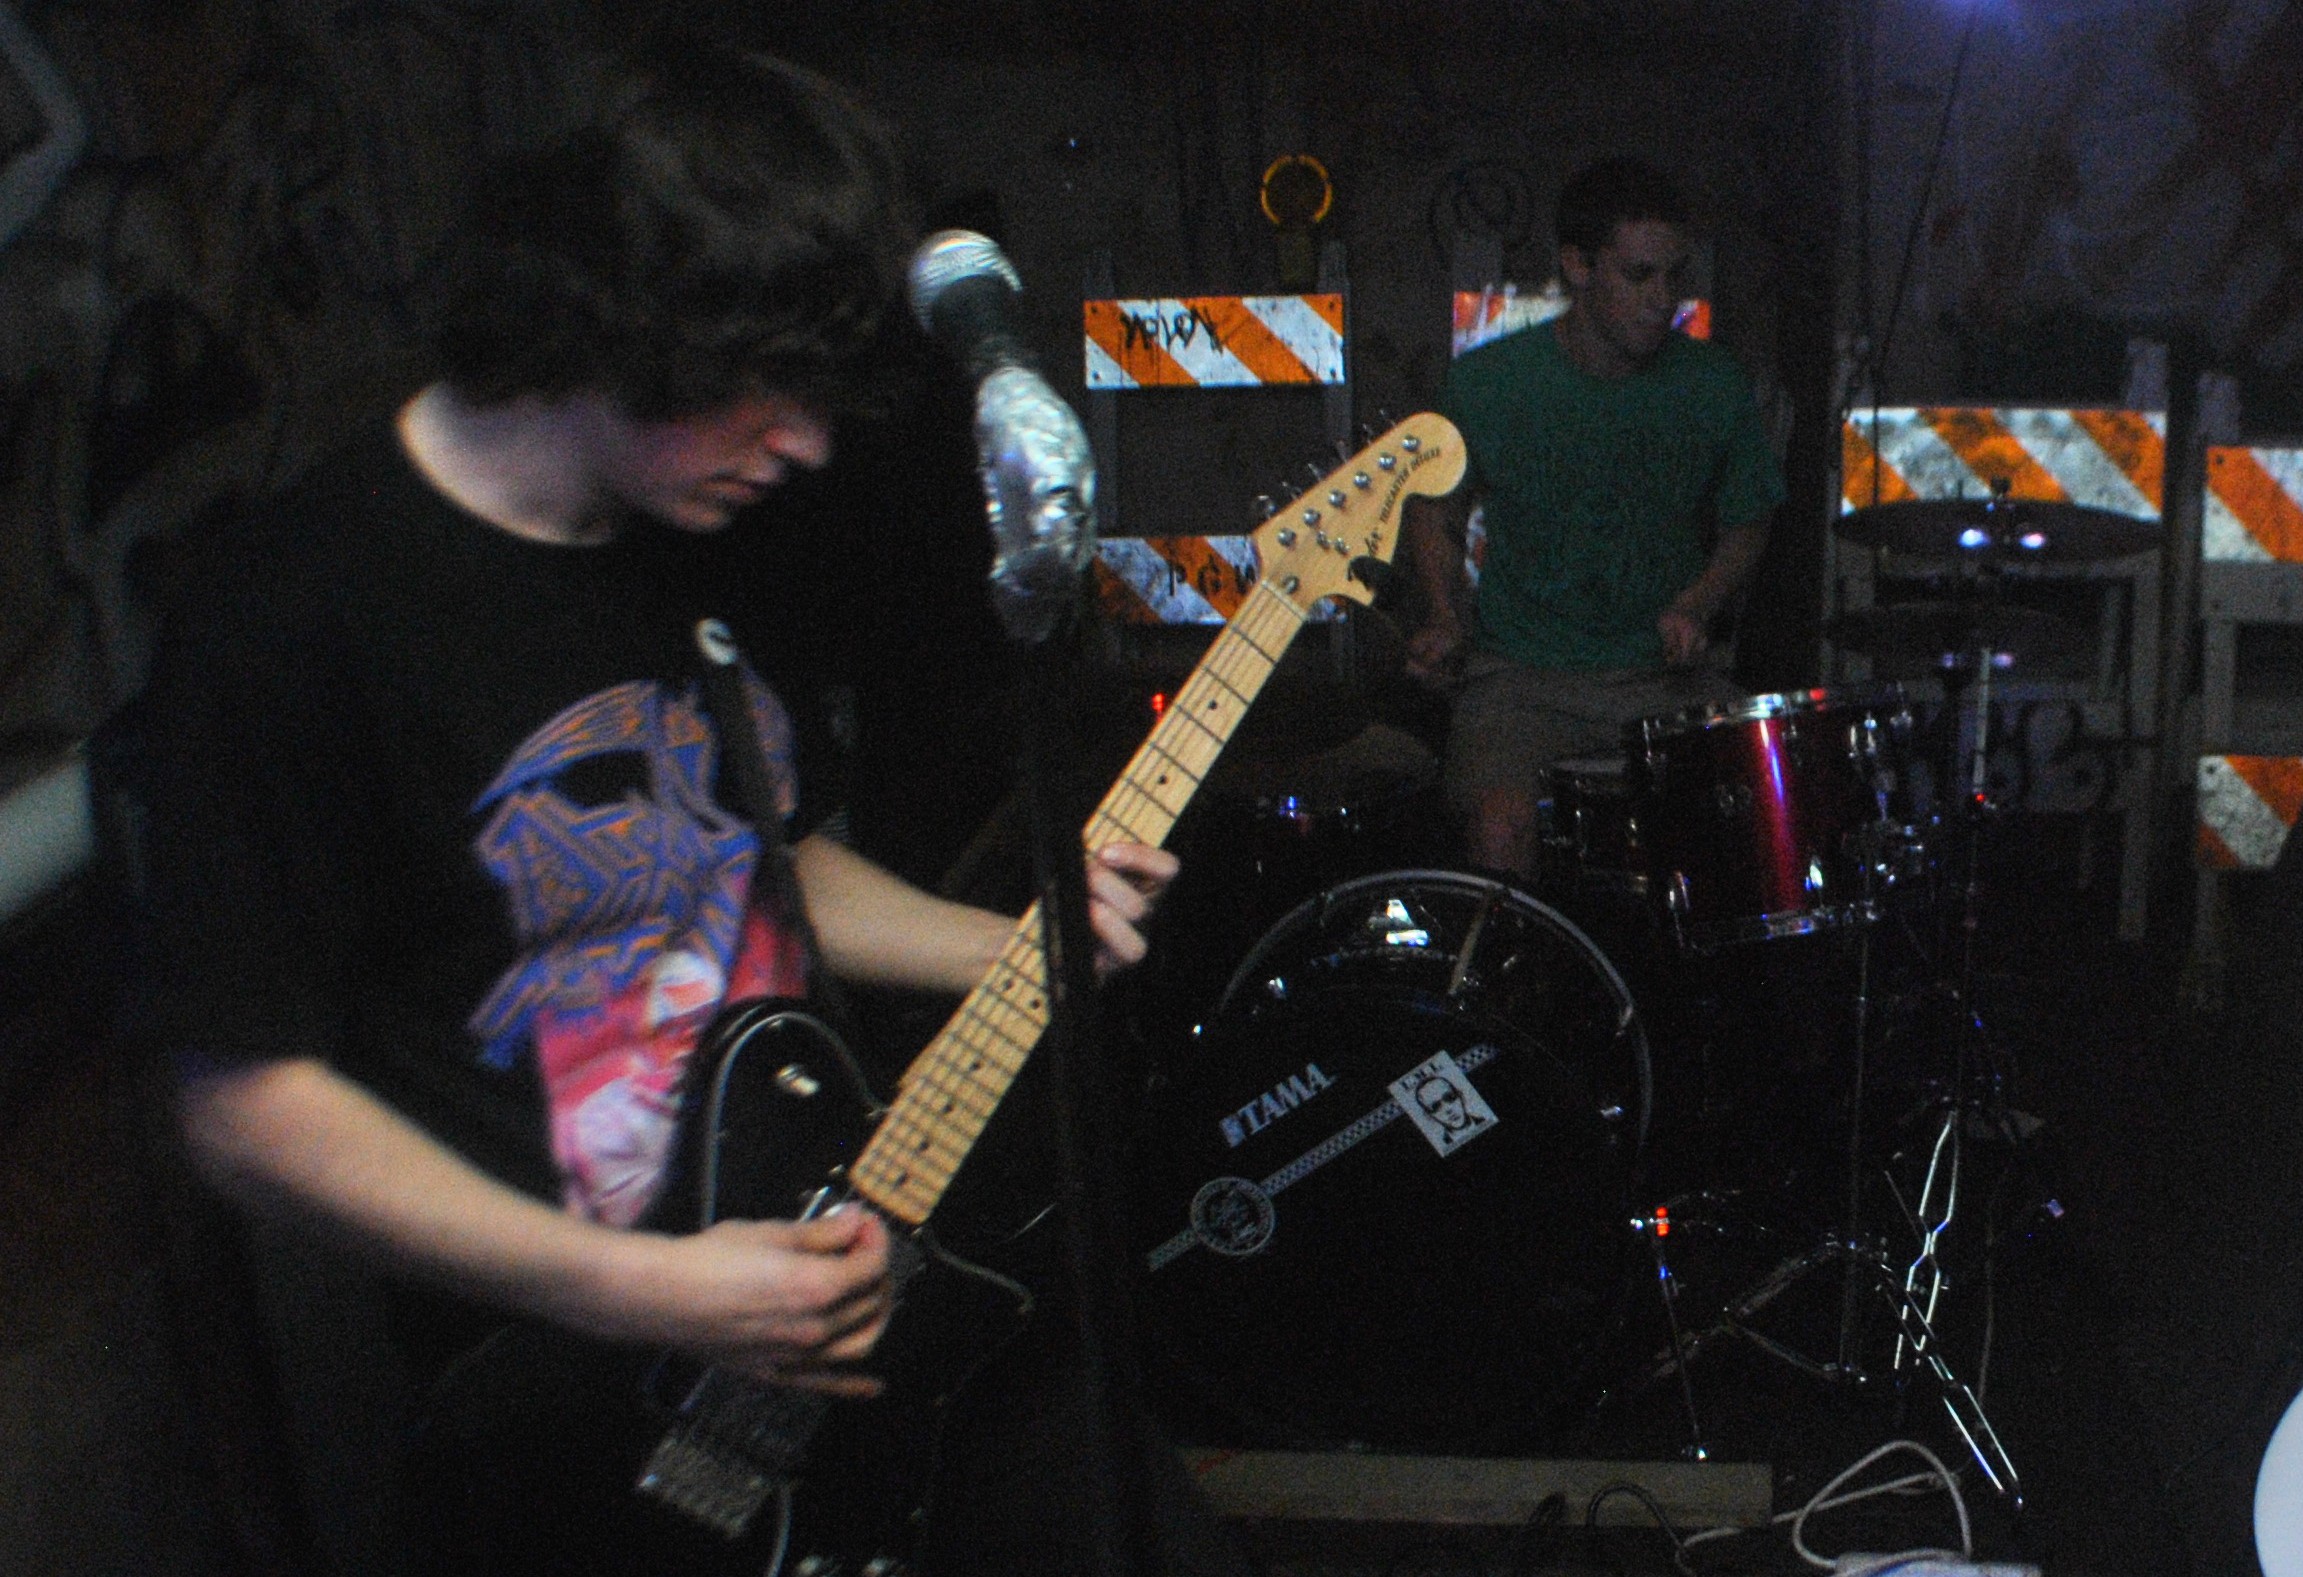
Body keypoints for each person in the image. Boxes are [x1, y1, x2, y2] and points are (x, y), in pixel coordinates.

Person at [96, 43, 1203, 1574]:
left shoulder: (691, 533)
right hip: (587, 1396)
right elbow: (243, 1100)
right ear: (619, 328)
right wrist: (644, 1290)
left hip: (833, 1268)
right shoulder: (294, 619)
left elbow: (762, 863)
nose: (805, 443)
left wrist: (1019, 946)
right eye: (769, 392)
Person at [1400, 155, 1784, 875]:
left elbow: (1748, 521)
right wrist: (1445, 616)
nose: (1662, 299)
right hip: (1520, 678)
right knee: (1500, 824)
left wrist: (1697, 603)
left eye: (1673, 275)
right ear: (1577, 266)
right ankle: (1515, 951)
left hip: (1663, 680)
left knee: (1756, 809)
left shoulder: (1714, 385)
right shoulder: (1490, 383)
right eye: (1638, 275)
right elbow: (1435, 508)